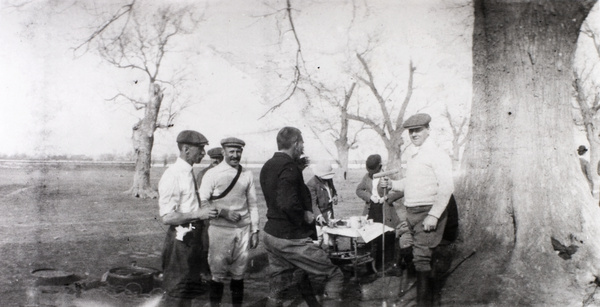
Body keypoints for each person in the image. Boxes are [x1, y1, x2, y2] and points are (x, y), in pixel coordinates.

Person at [260, 127, 344, 307]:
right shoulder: (289, 167)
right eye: (302, 143)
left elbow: (278, 193)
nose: (303, 147)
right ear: (296, 143)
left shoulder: (268, 165)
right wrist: (305, 215)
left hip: (271, 234)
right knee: (334, 274)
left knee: (277, 286)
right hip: (289, 237)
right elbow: (287, 203)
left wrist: (297, 168)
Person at [380, 113, 454, 306]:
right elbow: (412, 183)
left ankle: (425, 304)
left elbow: (446, 187)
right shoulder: (414, 155)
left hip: (427, 212)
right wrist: (394, 184)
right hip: (411, 213)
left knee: (421, 258)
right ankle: (427, 300)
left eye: (418, 130)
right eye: (411, 131)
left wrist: (434, 215)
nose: (414, 134)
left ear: (428, 130)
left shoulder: (437, 154)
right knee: (419, 256)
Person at [158, 130, 219, 307]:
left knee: (188, 291)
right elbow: (167, 217)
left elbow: (189, 205)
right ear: (185, 149)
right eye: (200, 148)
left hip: (193, 238)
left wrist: (204, 210)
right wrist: (197, 214)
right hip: (180, 241)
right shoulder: (173, 174)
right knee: (177, 291)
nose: (203, 153)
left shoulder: (188, 172)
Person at [199, 137, 259, 307]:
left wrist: (255, 230)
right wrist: (223, 212)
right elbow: (202, 201)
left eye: (238, 151)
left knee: (239, 273)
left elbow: (253, 203)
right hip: (220, 229)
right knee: (217, 274)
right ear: (223, 152)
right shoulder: (213, 173)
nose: (235, 155)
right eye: (231, 151)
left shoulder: (247, 174)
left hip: (243, 229)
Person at [355, 154, 403, 273]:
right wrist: (370, 197)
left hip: (385, 210)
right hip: (371, 210)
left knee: (387, 237)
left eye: (373, 170)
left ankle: (388, 265)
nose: (370, 173)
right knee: (371, 237)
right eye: (369, 170)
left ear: (380, 166)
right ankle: (371, 267)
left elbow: (401, 191)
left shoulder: (387, 177)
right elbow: (359, 190)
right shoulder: (366, 177)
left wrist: (387, 198)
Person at [196, 146, 225, 281]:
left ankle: (219, 269)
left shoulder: (227, 173)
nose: (217, 162)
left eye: (219, 159)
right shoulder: (203, 174)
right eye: (214, 160)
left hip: (224, 214)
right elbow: (200, 197)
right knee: (206, 243)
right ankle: (204, 271)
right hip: (208, 213)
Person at [306, 161, 338, 249]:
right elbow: (312, 203)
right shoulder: (311, 184)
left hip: (329, 213)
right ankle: (315, 259)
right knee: (318, 239)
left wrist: (335, 196)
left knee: (331, 238)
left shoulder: (329, 180)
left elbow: (333, 190)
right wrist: (319, 216)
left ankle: (333, 258)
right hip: (318, 215)